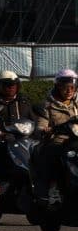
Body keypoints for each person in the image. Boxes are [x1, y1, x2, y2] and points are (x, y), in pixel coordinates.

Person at [33, 68, 78, 205]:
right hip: (59, 142)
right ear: (58, 87)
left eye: (72, 87)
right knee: (51, 156)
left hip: (77, 141)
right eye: (65, 88)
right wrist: (45, 130)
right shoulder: (47, 105)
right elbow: (40, 126)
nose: (69, 91)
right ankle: (53, 190)